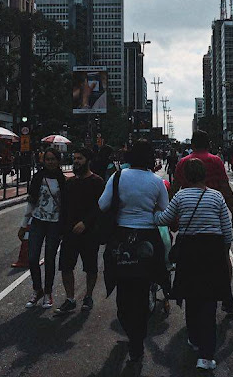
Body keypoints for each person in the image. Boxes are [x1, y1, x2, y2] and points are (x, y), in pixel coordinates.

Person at [154, 158, 232, 371]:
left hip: (189, 250)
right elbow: (226, 228)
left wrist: (150, 211)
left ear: (187, 176)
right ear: (204, 174)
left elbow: (165, 219)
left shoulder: (181, 195)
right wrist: (224, 252)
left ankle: (194, 337)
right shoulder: (216, 196)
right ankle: (206, 355)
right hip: (212, 250)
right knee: (208, 300)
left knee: (192, 296)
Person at [99, 139, 169, 377]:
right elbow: (164, 211)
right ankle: (137, 342)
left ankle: (131, 334)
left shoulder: (118, 177)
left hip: (121, 238)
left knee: (122, 291)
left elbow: (102, 204)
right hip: (148, 239)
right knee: (141, 291)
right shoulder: (157, 181)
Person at [171, 130, 233, 315]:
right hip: (214, 216)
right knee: (224, 256)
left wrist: (173, 217)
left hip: (189, 219)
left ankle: (190, 296)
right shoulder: (216, 160)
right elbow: (225, 188)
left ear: (192, 144)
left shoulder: (183, 162)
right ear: (208, 143)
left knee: (189, 259)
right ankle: (227, 297)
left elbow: (175, 189)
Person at [54, 148, 105, 316]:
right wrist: (61, 229)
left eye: (80, 158)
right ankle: (70, 299)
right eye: (74, 158)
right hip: (70, 233)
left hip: (90, 232)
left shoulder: (97, 182)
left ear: (87, 160)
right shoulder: (70, 183)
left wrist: (86, 222)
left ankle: (88, 296)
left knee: (90, 267)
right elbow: (64, 208)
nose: (76, 161)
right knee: (66, 267)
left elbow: (101, 207)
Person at [19, 148, 66, 309]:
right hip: (38, 221)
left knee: (50, 259)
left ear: (58, 161)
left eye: (53, 159)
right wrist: (23, 225)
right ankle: (37, 289)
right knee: (32, 258)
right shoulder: (38, 177)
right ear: (43, 161)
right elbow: (31, 201)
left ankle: (47, 292)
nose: (50, 162)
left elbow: (66, 205)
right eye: (48, 159)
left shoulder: (63, 180)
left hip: (55, 223)